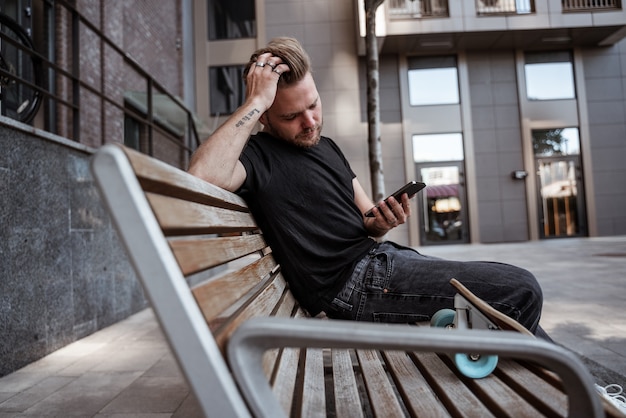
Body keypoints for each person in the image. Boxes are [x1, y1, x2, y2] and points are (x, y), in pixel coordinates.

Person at [188, 37, 551, 340]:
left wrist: (380, 222)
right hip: (357, 285)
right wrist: (254, 101)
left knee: (505, 290)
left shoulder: (326, 146)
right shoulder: (256, 156)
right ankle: (561, 379)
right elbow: (201, 176)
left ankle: (570, 377)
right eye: (291, 116)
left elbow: (367, 220)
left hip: (383, 260)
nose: (310, 121)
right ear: (265, 116)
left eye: (313, 105)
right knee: (520, 288)